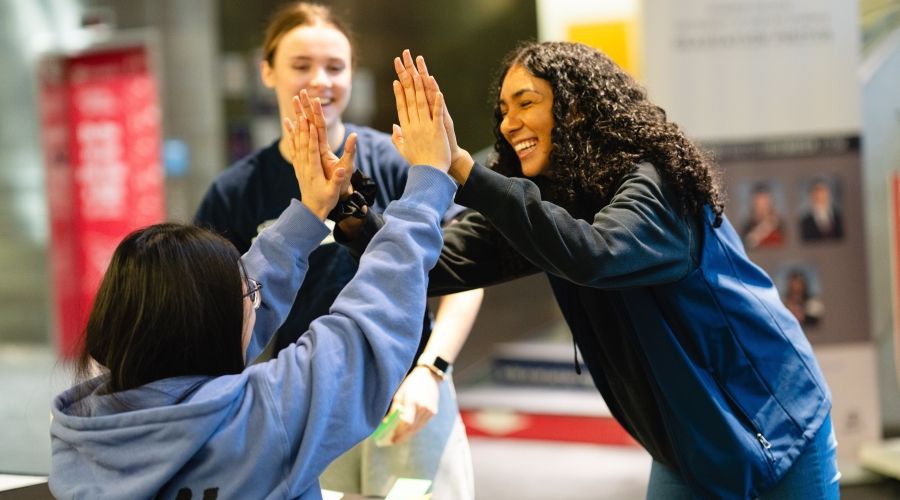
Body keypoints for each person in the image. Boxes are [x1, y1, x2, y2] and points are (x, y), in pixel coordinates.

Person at [340, 45, 838, 498]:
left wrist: (464, 171)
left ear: (575, 107)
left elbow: (597, 253)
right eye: (503, 111)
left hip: (775, 426)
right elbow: (442, 262)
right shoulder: (553, 202)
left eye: (526, 103)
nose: (509, 123)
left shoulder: (655, 182)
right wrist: (353, 217)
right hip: (688, 446)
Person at [48, 100, 459, 499]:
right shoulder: (261, 419)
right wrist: (428, 181)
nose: (253, 295)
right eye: (244, 292)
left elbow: (217, 306)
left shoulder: (82, 433)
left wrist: (310, 213)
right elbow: (367, 329)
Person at [193, 3, 480, 498]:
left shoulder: (399, 161)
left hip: (409, 394)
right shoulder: (235, 192)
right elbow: (213, 315)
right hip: (303, 404)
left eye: (335, 66)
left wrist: (432, 370)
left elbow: (467, 275)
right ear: (267, 71)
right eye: (301, 65)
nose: (320, 81)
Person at [741, 182, 785, 249]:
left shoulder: (780, 226)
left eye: (764, 202)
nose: (761, 207)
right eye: (758, 202)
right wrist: (764, 228)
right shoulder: (746, 227)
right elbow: (747, 245)